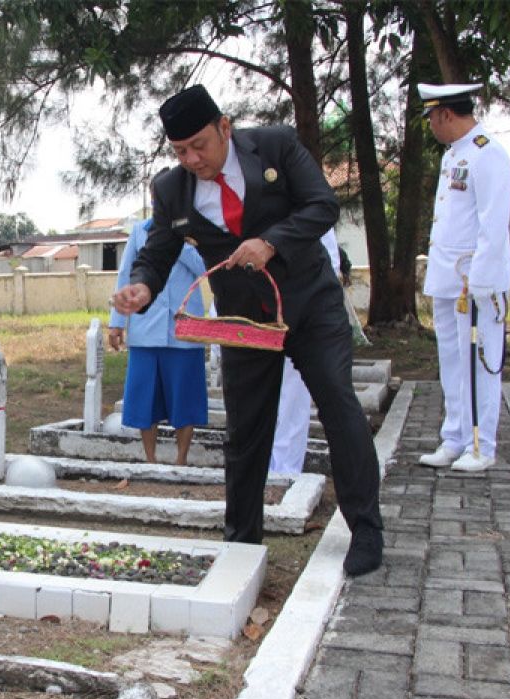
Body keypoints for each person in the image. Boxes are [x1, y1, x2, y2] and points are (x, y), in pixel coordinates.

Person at [112, 85, 384, 577]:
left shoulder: (276, 146)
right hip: (244, 321)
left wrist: (271, 243)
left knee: (339, 404)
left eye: (199, 145)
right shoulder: (172, 189)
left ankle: (365, 529)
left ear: (225, 127)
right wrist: (141, 289)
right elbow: (156, 254)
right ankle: (241, 543)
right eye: (179, 151)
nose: (191, 158)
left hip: (309, 304)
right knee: (246, 431)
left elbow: (322, 205)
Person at [416, 82, 510, 473]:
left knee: (479, 363)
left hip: (475, 283)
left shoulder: (487, 154)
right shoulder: (454, 155)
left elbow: (493, 223)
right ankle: (454, 438)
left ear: (445, 114)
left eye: (432, 119)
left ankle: (481, 445)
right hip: (448, 279)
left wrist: (482, 282)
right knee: (452, 362)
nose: (432, 127)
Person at [108, 179, 208, 466]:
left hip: (184, 329)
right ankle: (150, 459)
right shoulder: (140, 232)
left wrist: (182, 242)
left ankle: (181, 459)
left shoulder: (197, 232)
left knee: (185, 398)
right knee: (144, 398)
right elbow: (126, 275)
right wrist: (117, 322)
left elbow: (206, 269)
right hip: (146, 327)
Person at [269, 229, 343, 477]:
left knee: (292, 398)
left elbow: (329, 262)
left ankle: (285, 469)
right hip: (258, 316)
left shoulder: (307, 204)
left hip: (300, 317)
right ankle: (263, 466)